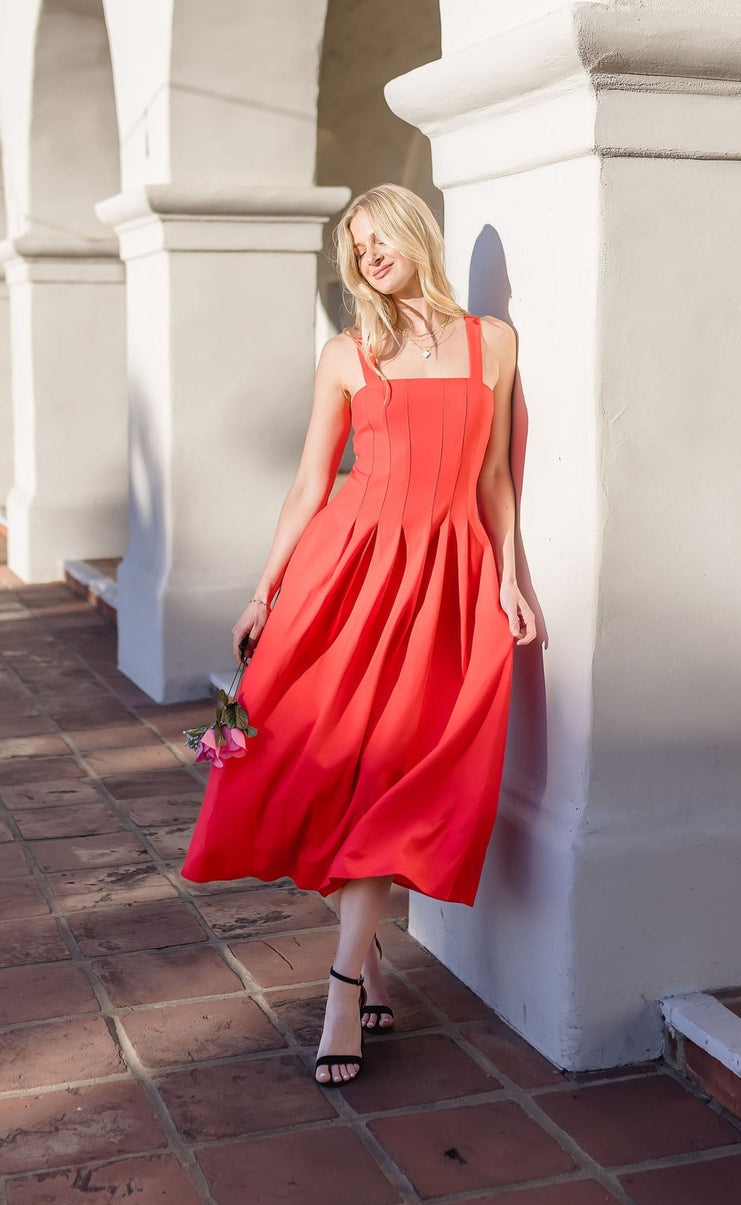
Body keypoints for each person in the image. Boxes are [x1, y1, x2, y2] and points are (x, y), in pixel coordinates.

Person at [182, 182, 536, 1087]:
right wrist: (266, 587)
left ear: (418, 234)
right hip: (348, 571)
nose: (372, 255)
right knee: (331, 763)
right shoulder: (347, 353)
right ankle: (353, 974)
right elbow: (310, 483)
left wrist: (510, 575)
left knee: (400, 766)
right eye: (358, 246)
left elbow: (495, 477)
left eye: (383, 238)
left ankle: (358, 963)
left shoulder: (491, 342)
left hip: (446, 578)